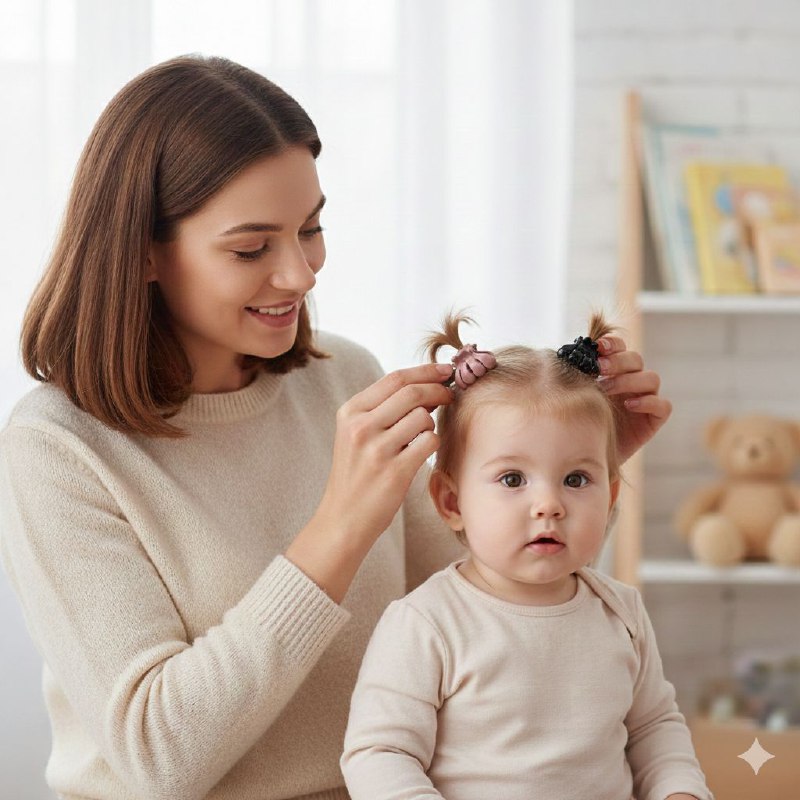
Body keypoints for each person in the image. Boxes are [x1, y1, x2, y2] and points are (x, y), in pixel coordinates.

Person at [0, 55, 671, 800]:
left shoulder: (343, 378)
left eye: (311, 229)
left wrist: (582, 472)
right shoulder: (58, 449)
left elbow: (478, 602)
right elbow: (159, 758)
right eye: (252, 247)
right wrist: (339, 527)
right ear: (147, 253)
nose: (301, 273)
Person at [340, 312, 710, 800]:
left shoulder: (621, 611)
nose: (549, 505)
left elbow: (654, 730)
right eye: (513, 479)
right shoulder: (426, 624)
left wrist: (679, 790)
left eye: (576, 480)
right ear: (451, 502)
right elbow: (379, 754)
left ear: (612, 494)